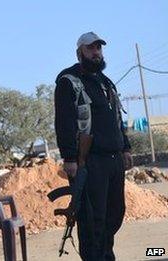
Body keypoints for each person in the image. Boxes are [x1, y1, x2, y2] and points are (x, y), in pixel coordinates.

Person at [54, 32, 132, 261]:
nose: (96, 52)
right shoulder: (69, 82)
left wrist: (125, 148)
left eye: (99, 48)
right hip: (89, 162)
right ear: (80, 53)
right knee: (92, 219)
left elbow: (117, 119)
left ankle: (106, 256)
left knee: (114, 215)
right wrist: (69, 158)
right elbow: (64, 123)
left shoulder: (105, 83)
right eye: (91, 48)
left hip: (114, 160)